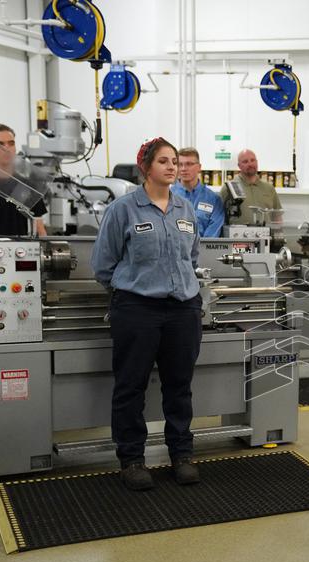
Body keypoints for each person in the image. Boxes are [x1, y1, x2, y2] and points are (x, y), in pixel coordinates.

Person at [91, 137, 203, 491]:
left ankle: (181, 455)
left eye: (175, 161)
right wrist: (133, 291)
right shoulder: (123, 210)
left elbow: (192, 258)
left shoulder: (185, 209)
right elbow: (103, 265)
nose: (172, 167)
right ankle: (132, 460)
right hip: (137, 309)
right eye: (164, 161)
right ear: (145, 167)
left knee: (179, 387)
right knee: (131, 386)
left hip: (183, 309)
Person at [171, 147, 225, 237]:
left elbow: (212, 235)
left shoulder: (214, 199)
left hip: (203, 246)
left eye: (189, 164)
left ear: (199, 167)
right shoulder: (167, 196)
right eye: (180, 164)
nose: (184, 168)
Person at [219, 149, 282, 226]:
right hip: (237, 234)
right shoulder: (229, 187)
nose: (250, 164)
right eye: (245, 162)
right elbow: (218, 216)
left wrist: (279, 232)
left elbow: (277, 216)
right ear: (239, 165)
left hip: (266, 233)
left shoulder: (269, 188)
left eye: (252, 160)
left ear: (257, 162)